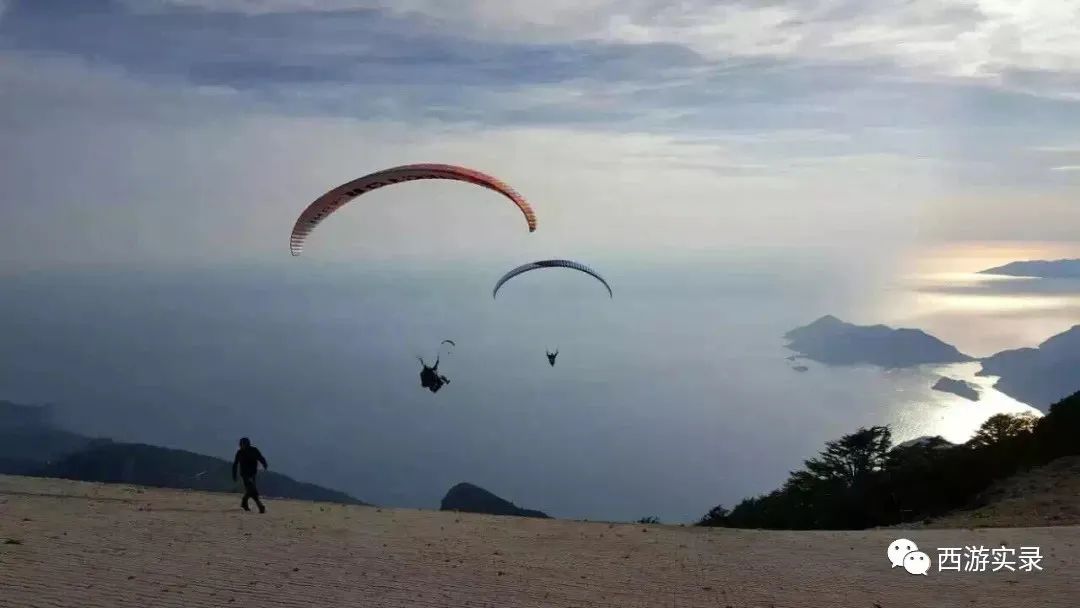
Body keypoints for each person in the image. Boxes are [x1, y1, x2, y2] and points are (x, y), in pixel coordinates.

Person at [232, 437, 268, 513]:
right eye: (241, 444)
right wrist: (234, 474)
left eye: (243, 444)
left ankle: (244, 502)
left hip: (252, 473)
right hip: (245, 474)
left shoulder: (254, 450)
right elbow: (235, 464)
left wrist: (264, 464)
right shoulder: (240, 452)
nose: (242, 445)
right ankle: (260, 506)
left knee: (250, 490)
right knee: (252, 489)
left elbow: (261, 458)